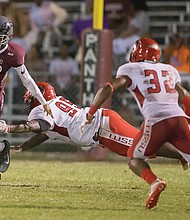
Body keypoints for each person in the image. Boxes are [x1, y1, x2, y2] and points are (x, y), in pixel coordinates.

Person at [80, 38, 190, 209]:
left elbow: (108, 88)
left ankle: (154, 182)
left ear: (136, 52)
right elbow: (184, 96)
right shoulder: (169, 69)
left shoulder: (130, 69)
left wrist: (91, 111)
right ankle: (181, 157)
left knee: (134, 158)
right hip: (180, 119)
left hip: (156, 121)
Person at [0, 82, 188, 173]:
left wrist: (8, 128)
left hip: (103, 129)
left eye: (29, 99)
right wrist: (22, 148)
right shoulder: (54, 105)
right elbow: (45, 133)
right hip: (103, 127)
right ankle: (181, 147)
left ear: (37, 98)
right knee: (141, 147)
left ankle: (184, 151)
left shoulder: (42, 110)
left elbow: (38, 126)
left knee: (142, 148)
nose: (28, 103)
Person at [0, 16, 53, 173]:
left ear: (8, 37)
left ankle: (3, 148)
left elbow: (27, 80)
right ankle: (2, 147)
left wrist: (43, 102)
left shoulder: (13, 52)